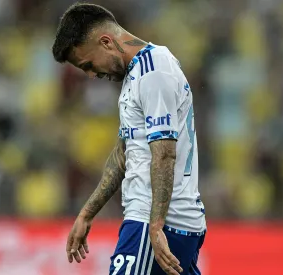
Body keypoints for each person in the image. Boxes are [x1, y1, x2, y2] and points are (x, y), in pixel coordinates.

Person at [52, 3, 207, 275]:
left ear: (106, 42)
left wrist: (156, 226)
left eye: (88, 64)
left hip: (156, 223)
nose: (91, 75)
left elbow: (165, 153)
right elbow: (126, 152)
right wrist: (88, 213)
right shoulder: (137, 73)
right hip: (156, 221)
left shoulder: (153, 70)